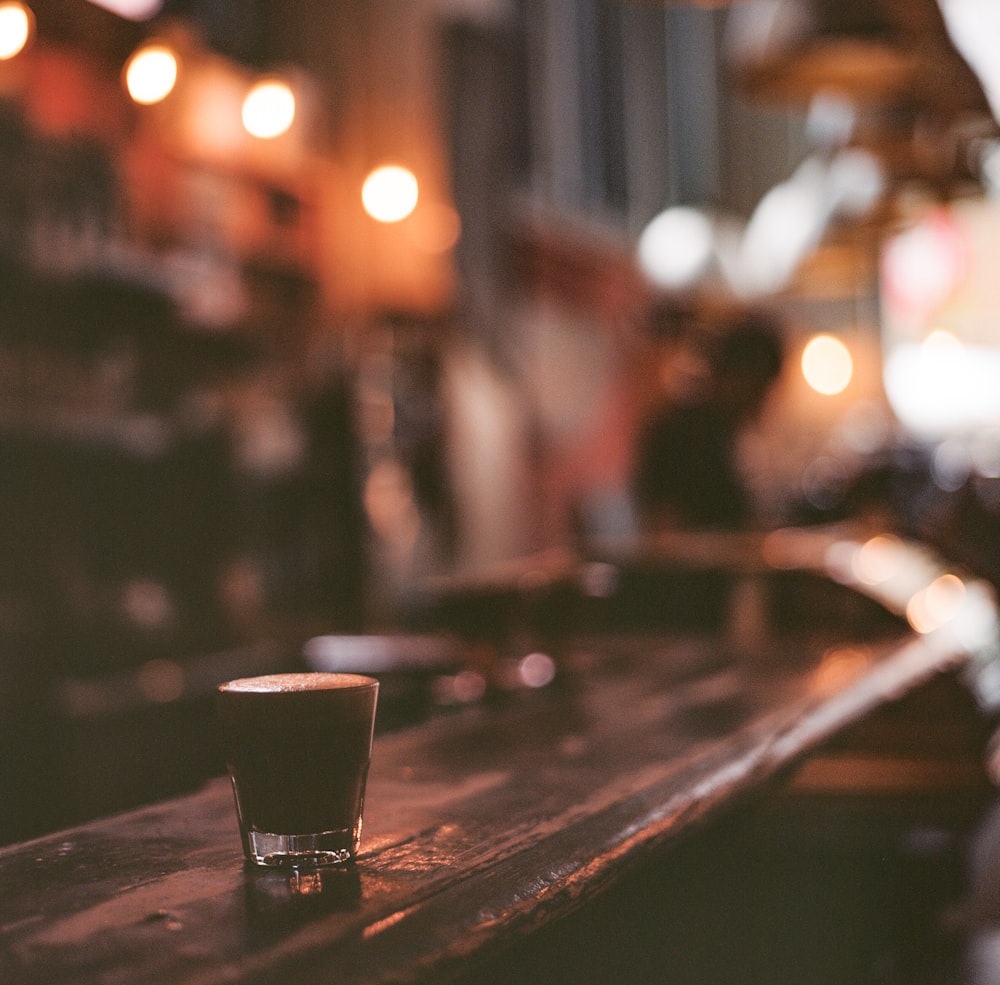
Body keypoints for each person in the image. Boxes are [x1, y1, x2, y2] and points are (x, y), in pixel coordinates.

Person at [632, 307, 786, 532]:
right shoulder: (683, 436)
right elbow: (664, 527)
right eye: (759, 385)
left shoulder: (724, 432)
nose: (764, 399)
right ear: (734, 375)